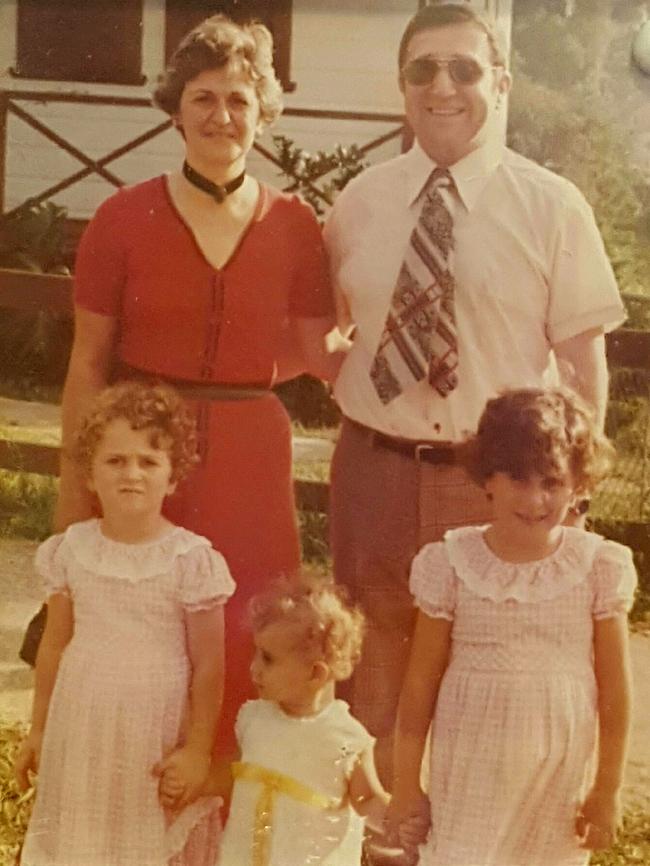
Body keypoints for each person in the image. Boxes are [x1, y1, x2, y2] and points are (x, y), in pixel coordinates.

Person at [323, 2, 626, 784]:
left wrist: (570, 496)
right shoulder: (359, 201)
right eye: (423, 69)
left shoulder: (552, 206)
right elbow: (323, 330)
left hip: (493, 484)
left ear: (503, 81)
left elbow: (584, 366)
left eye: (464, 68)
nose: (443, 85)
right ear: (402, 86)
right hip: (376, 472)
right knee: (374, 676)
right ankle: (382, 836)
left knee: (485, 682)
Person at [52, 14, 340, 759]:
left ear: (263, 112)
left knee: (254, 623)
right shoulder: (121, 217)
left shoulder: (296, 224)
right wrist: (78, 477)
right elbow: (88, 361)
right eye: (204, 97)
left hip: (252, 452)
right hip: (147, 449)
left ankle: (234, 811)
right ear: (176, 108)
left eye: (240, 100)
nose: (222, 116)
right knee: (141, 624)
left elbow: (315, 349)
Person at [387, 387, 636, 866]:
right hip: (471, 760)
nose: (536, 498)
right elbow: (419, 686)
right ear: (487, 478)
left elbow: (615, 693)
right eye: (518, 479)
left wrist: (607, 789)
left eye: (552, 481)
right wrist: (405, 786)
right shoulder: (452, 563)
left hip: (557, 768)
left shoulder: (597, 566)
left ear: (579, 484)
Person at [14, 382, 236, 866]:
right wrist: (39, 730)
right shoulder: (71, 550)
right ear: (90, 474)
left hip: (151, 732)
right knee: (81, 834)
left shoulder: (189, 559)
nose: (131, 474)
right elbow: (54, 645)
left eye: (148, 462)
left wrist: (198, 751)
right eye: (115, 461)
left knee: (141, 839)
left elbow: (209, 668)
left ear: (173, 477)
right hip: (82, 722)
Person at [160, 575, 427, 865]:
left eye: (268, 659)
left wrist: (397, 821)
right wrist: (200, 783)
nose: (254, 669)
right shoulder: (255, 718)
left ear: (316, 674)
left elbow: (367, 801)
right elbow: (234, 772)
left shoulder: (344, 738)